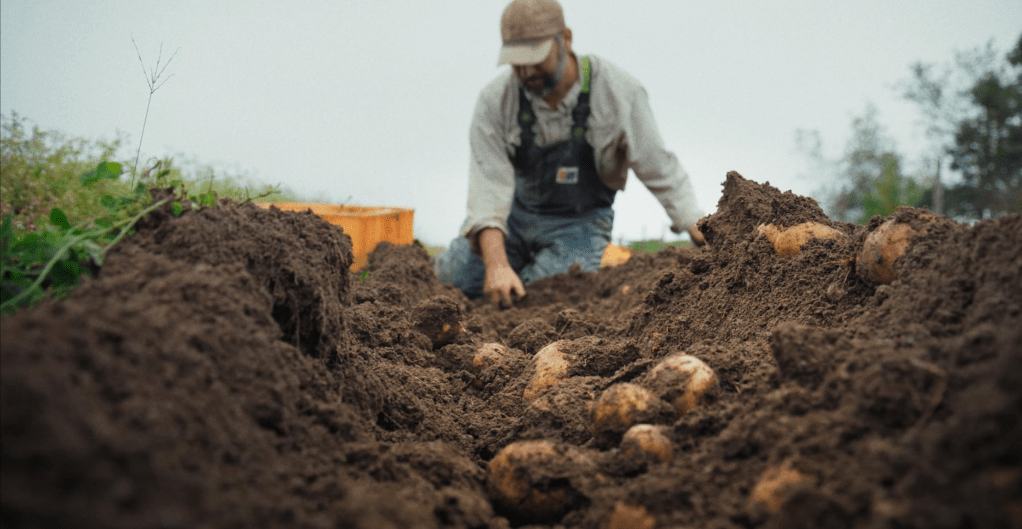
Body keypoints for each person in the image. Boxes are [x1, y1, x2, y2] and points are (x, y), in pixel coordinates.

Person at [435, 0, 705, 306]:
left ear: (565, 39)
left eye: (535, 58)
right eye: (516, 62)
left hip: (580, 225)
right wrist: (496, 265)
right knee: (450, 281)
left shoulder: (619, 93)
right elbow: (487, 191)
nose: (526, 71)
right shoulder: (495, 102)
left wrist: (694, 222)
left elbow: (659, 166)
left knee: (543, 300)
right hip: (514, 217)